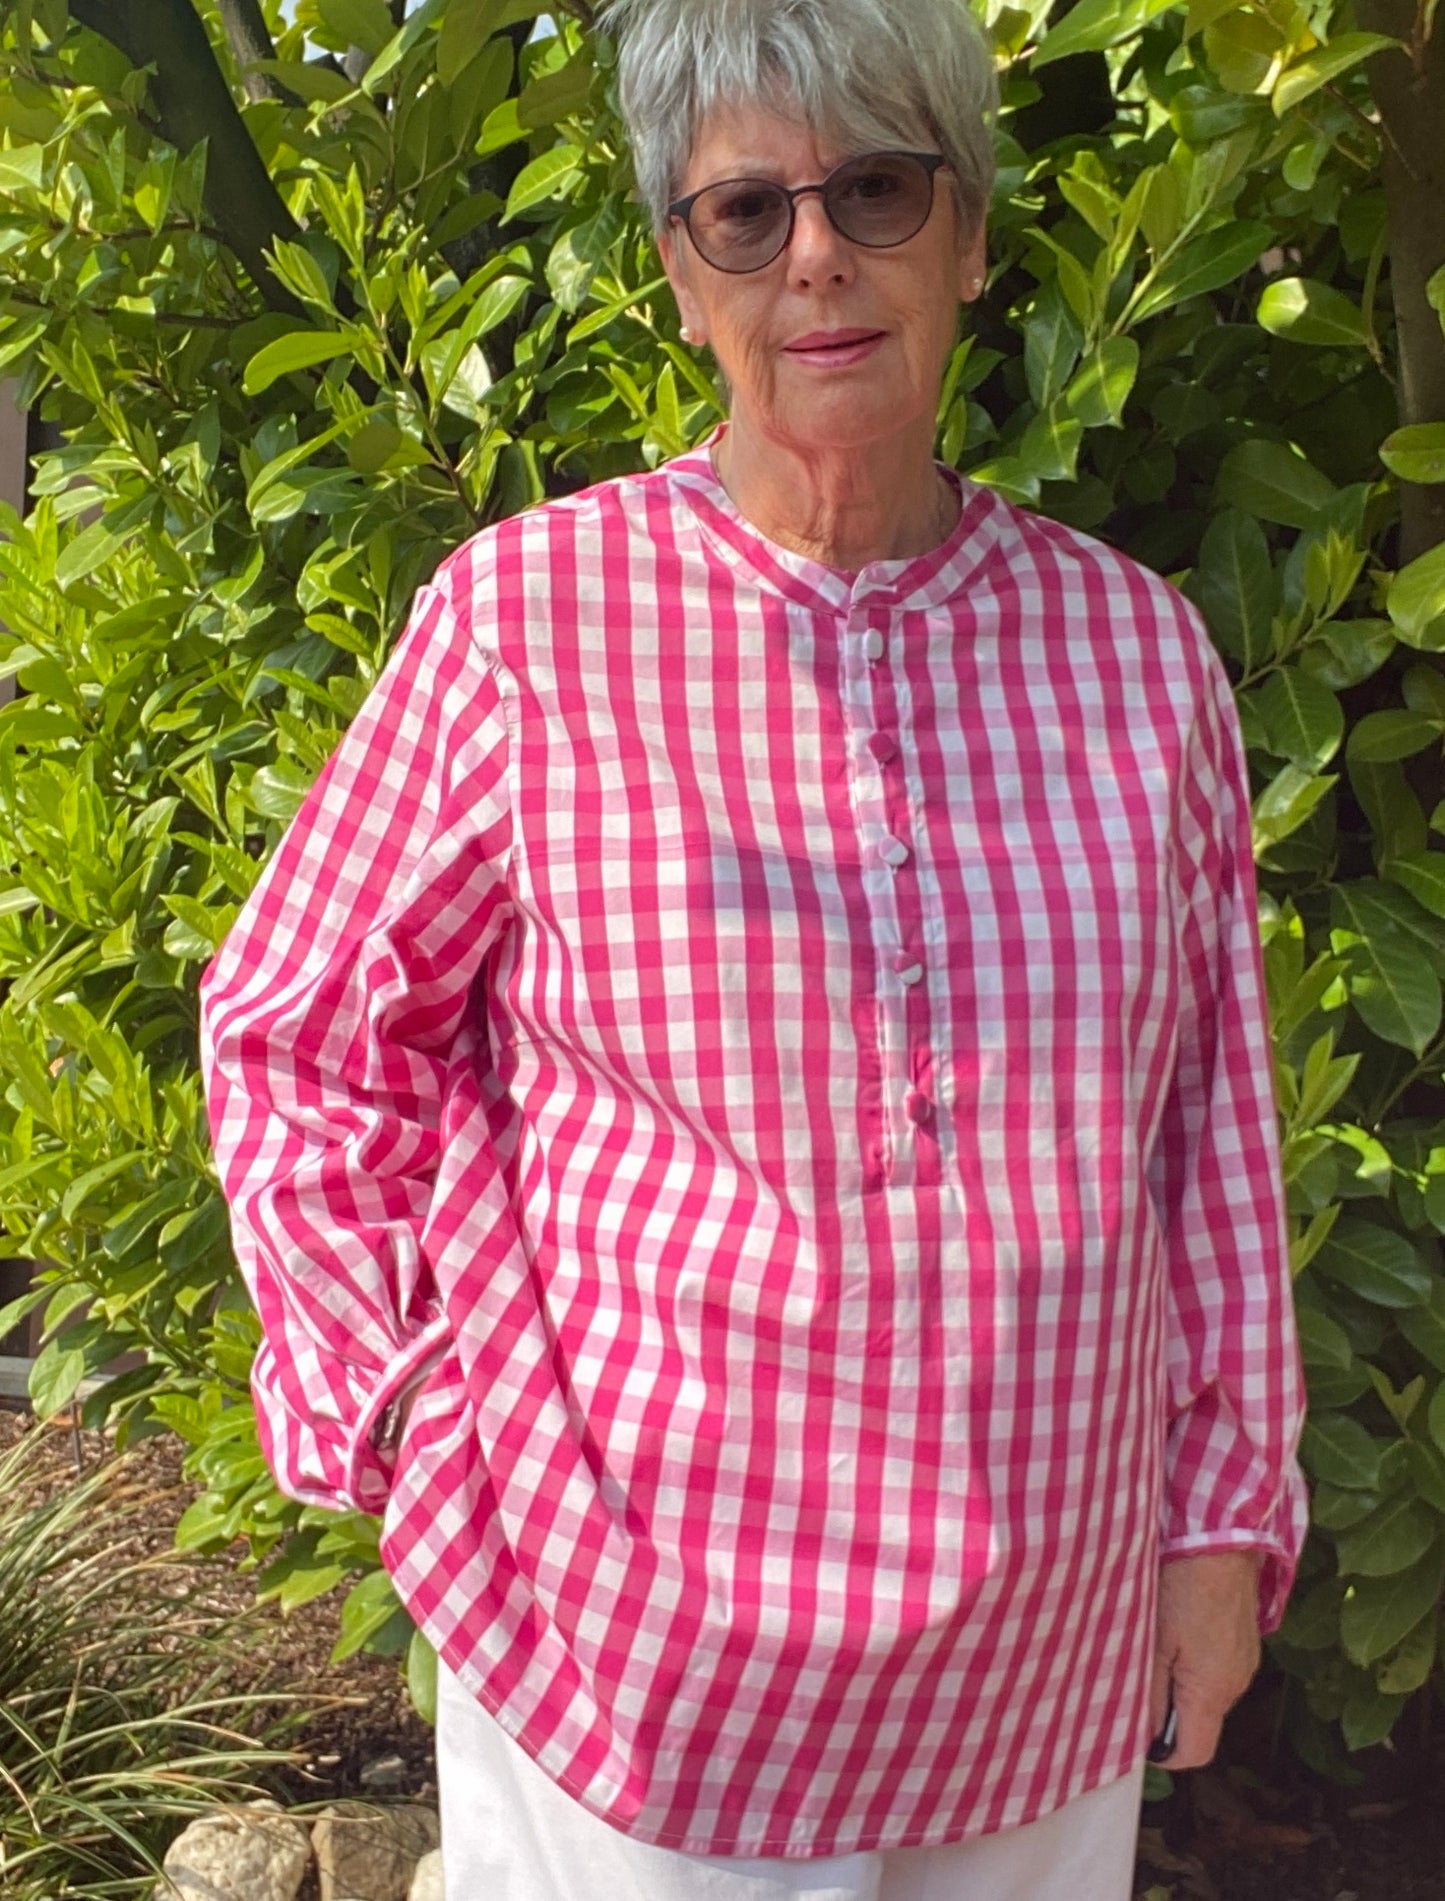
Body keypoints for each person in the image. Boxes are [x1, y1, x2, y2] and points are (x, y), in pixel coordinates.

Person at [198, 0, 1309, 1893]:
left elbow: (1210, 1121)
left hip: (1041, 1661)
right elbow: (296, 1027)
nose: (815, 256)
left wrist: (1216, 1521)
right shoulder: (529, 628)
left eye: (875, 191)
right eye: (744, 211)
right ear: (679, 272)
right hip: (630, 1670)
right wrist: (401, 1408)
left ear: (969, 238)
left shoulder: (1134, 655)